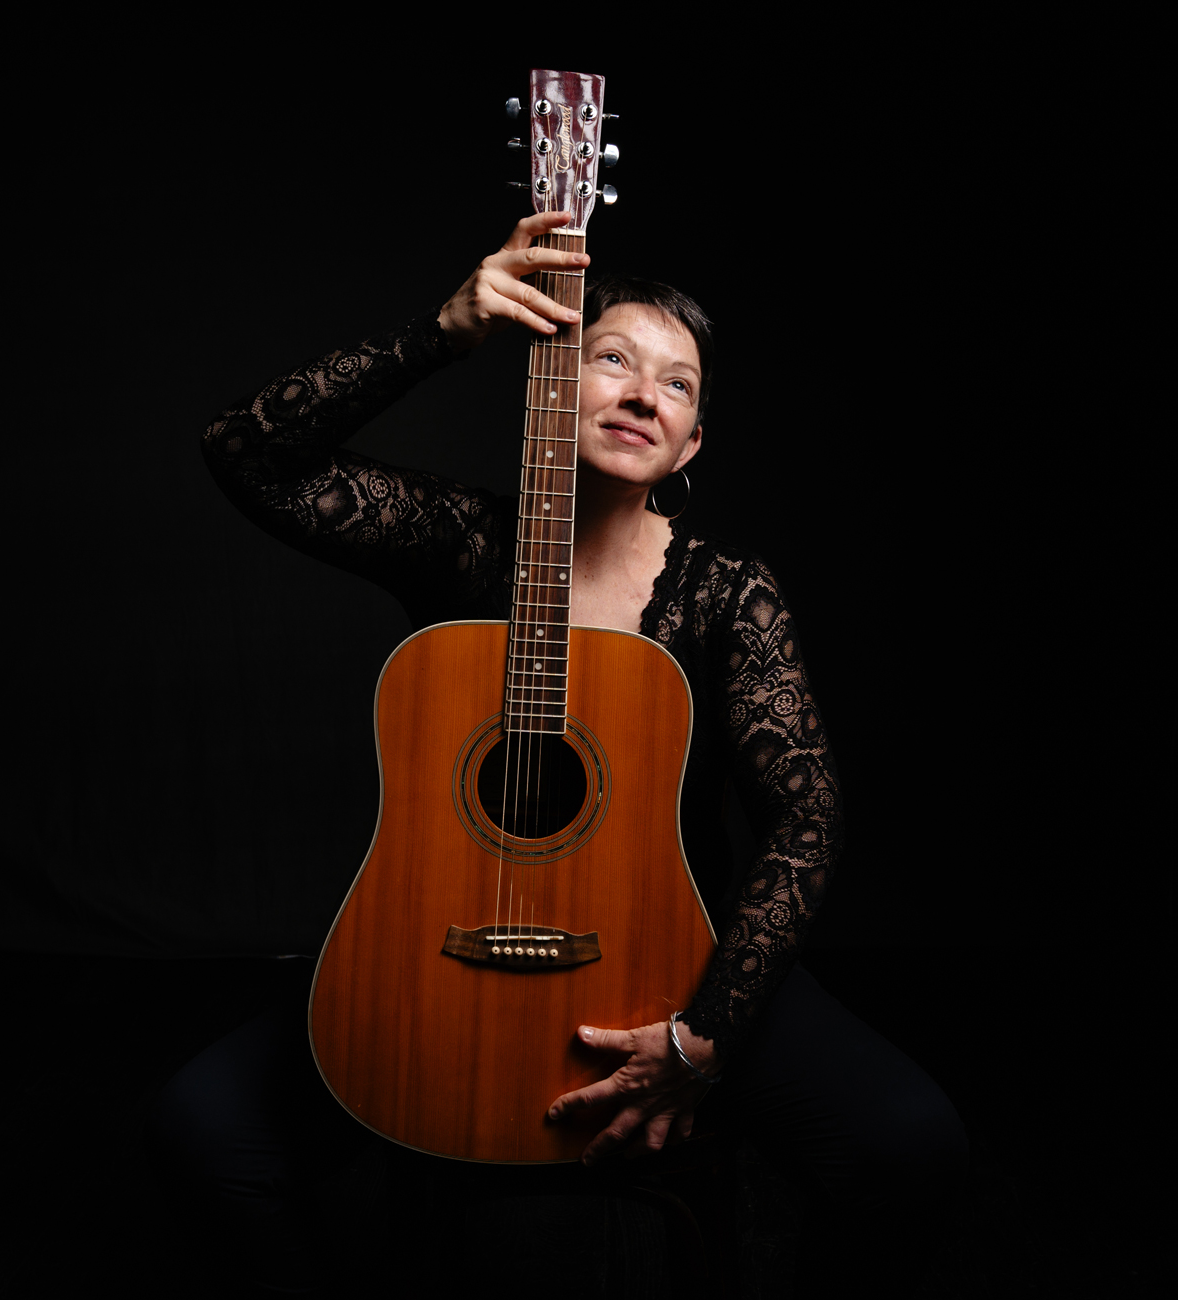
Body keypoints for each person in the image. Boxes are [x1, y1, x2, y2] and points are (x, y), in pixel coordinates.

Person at [154, 209, 967, 1294]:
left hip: (676, 963)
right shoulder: (460, 545)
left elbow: (804, 816)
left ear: (688, 446)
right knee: (205, 1128)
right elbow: (245, 452)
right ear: (550, 383)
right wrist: (444, 330)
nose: (641, 392)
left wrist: (706, 1031)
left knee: (908, 1140)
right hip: (443, 933)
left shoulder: (726, 591)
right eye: (613, 359)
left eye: (675, 385)